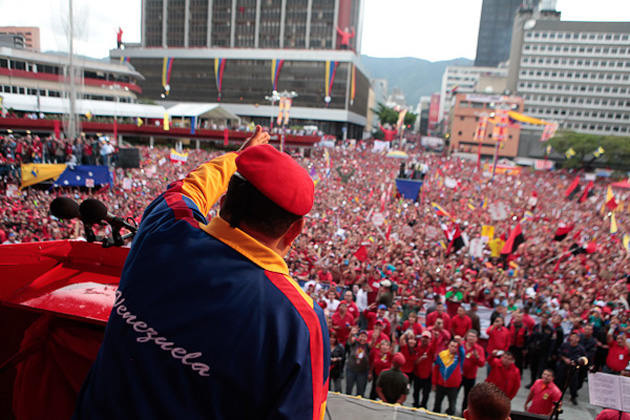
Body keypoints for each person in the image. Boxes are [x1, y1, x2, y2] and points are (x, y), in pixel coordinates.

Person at [73, 129, 330, 418]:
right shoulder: (298, 322)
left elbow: (190, 189)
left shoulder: (163, 228)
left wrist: (236, 158)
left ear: (223, 200)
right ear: (295, 231)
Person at [433, 336, 465, 415]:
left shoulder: (459, 357)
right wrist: (434, 383)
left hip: (453, 386)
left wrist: (460, 344)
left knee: (452, 407)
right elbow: (436, 369)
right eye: (452, 346)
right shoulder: (442, 355)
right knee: (436, 405)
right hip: (440, 385)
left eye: (455, 347)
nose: (453, 348)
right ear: (448, 346)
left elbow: (462, 352)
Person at [555, 331, 586, 405]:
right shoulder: (565, 345)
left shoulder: (581, 349)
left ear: (579, 339)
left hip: (573, 368)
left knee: (573, 383)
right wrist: (564, 358)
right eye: (573, 337)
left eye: (576, 337)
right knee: (559, 381)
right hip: (563, 366)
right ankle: (557, 396)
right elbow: (559, 353)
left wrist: (576, 363)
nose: (574, 339)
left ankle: (573, 397)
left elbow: (583, 359)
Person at [461, 330, 486, 412]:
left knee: (467, 396)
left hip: (470, 376)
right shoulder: (461, 344)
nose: (471, 338)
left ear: (477, 339)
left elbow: (482, 364)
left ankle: (464, 412)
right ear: (466, 336)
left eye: (473, 336)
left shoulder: (479, 349)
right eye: (470, 336)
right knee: (453, 393)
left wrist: (477, 357)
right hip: (459, 374)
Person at [414, 330, 436, 409]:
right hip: (418, 373)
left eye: (427, 338)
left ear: (429, 340)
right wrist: (420, 359)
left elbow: (434, 346)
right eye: (424, 338)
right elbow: (414, 361)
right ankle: (416, 403)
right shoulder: (417, 347)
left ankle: (423, 405)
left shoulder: (430, 348)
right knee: (416, 391)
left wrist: (436, 338)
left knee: (426, 392)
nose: (425, 340)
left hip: (427, 374)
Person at [346, 328, 370, 397]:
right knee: (349, 389)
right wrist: (351, 334)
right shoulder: (355, 342)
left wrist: (374, 338)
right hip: (351, 369)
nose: (363, 338)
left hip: (362, 372)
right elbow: (350, 340)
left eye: (365, 337)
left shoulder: (367, 346)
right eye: (361, 336)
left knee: (360, 391)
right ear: (358, 337)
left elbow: (372, 344)